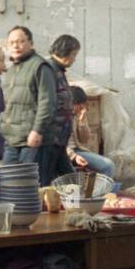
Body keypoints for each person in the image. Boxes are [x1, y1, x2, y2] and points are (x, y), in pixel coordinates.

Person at [0, 26, 58, 185]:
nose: (16, 46)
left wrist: (37, 130)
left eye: (21, 41)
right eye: (12, 43)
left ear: (31, 43)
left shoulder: (40, 67)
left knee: (31, 187)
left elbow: (47, 101)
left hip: (33, 140)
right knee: (8, 185)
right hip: (12, 139)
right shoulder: (11, 71)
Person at [66, 86, 120, 192]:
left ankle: (96, 195)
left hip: (78, 151)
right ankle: (94, 197)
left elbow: (84, 139)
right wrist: (73, 156)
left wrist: (82, 122)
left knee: (108, 166)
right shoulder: (59, 116)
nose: (82, 108)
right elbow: (58, 144)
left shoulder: (77, 115)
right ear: (72, 103)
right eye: (79, 105)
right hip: (64, 153)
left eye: (83, 105)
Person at [44, 34, 80, 185]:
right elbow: (46, 103)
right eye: (73, 55)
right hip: (51, 139)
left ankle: (74, 206)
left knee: (71, 181)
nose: (74, 59)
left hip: (59, 141)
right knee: (46, 182)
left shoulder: (59, 71)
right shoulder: (48, 71)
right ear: (65, 53)